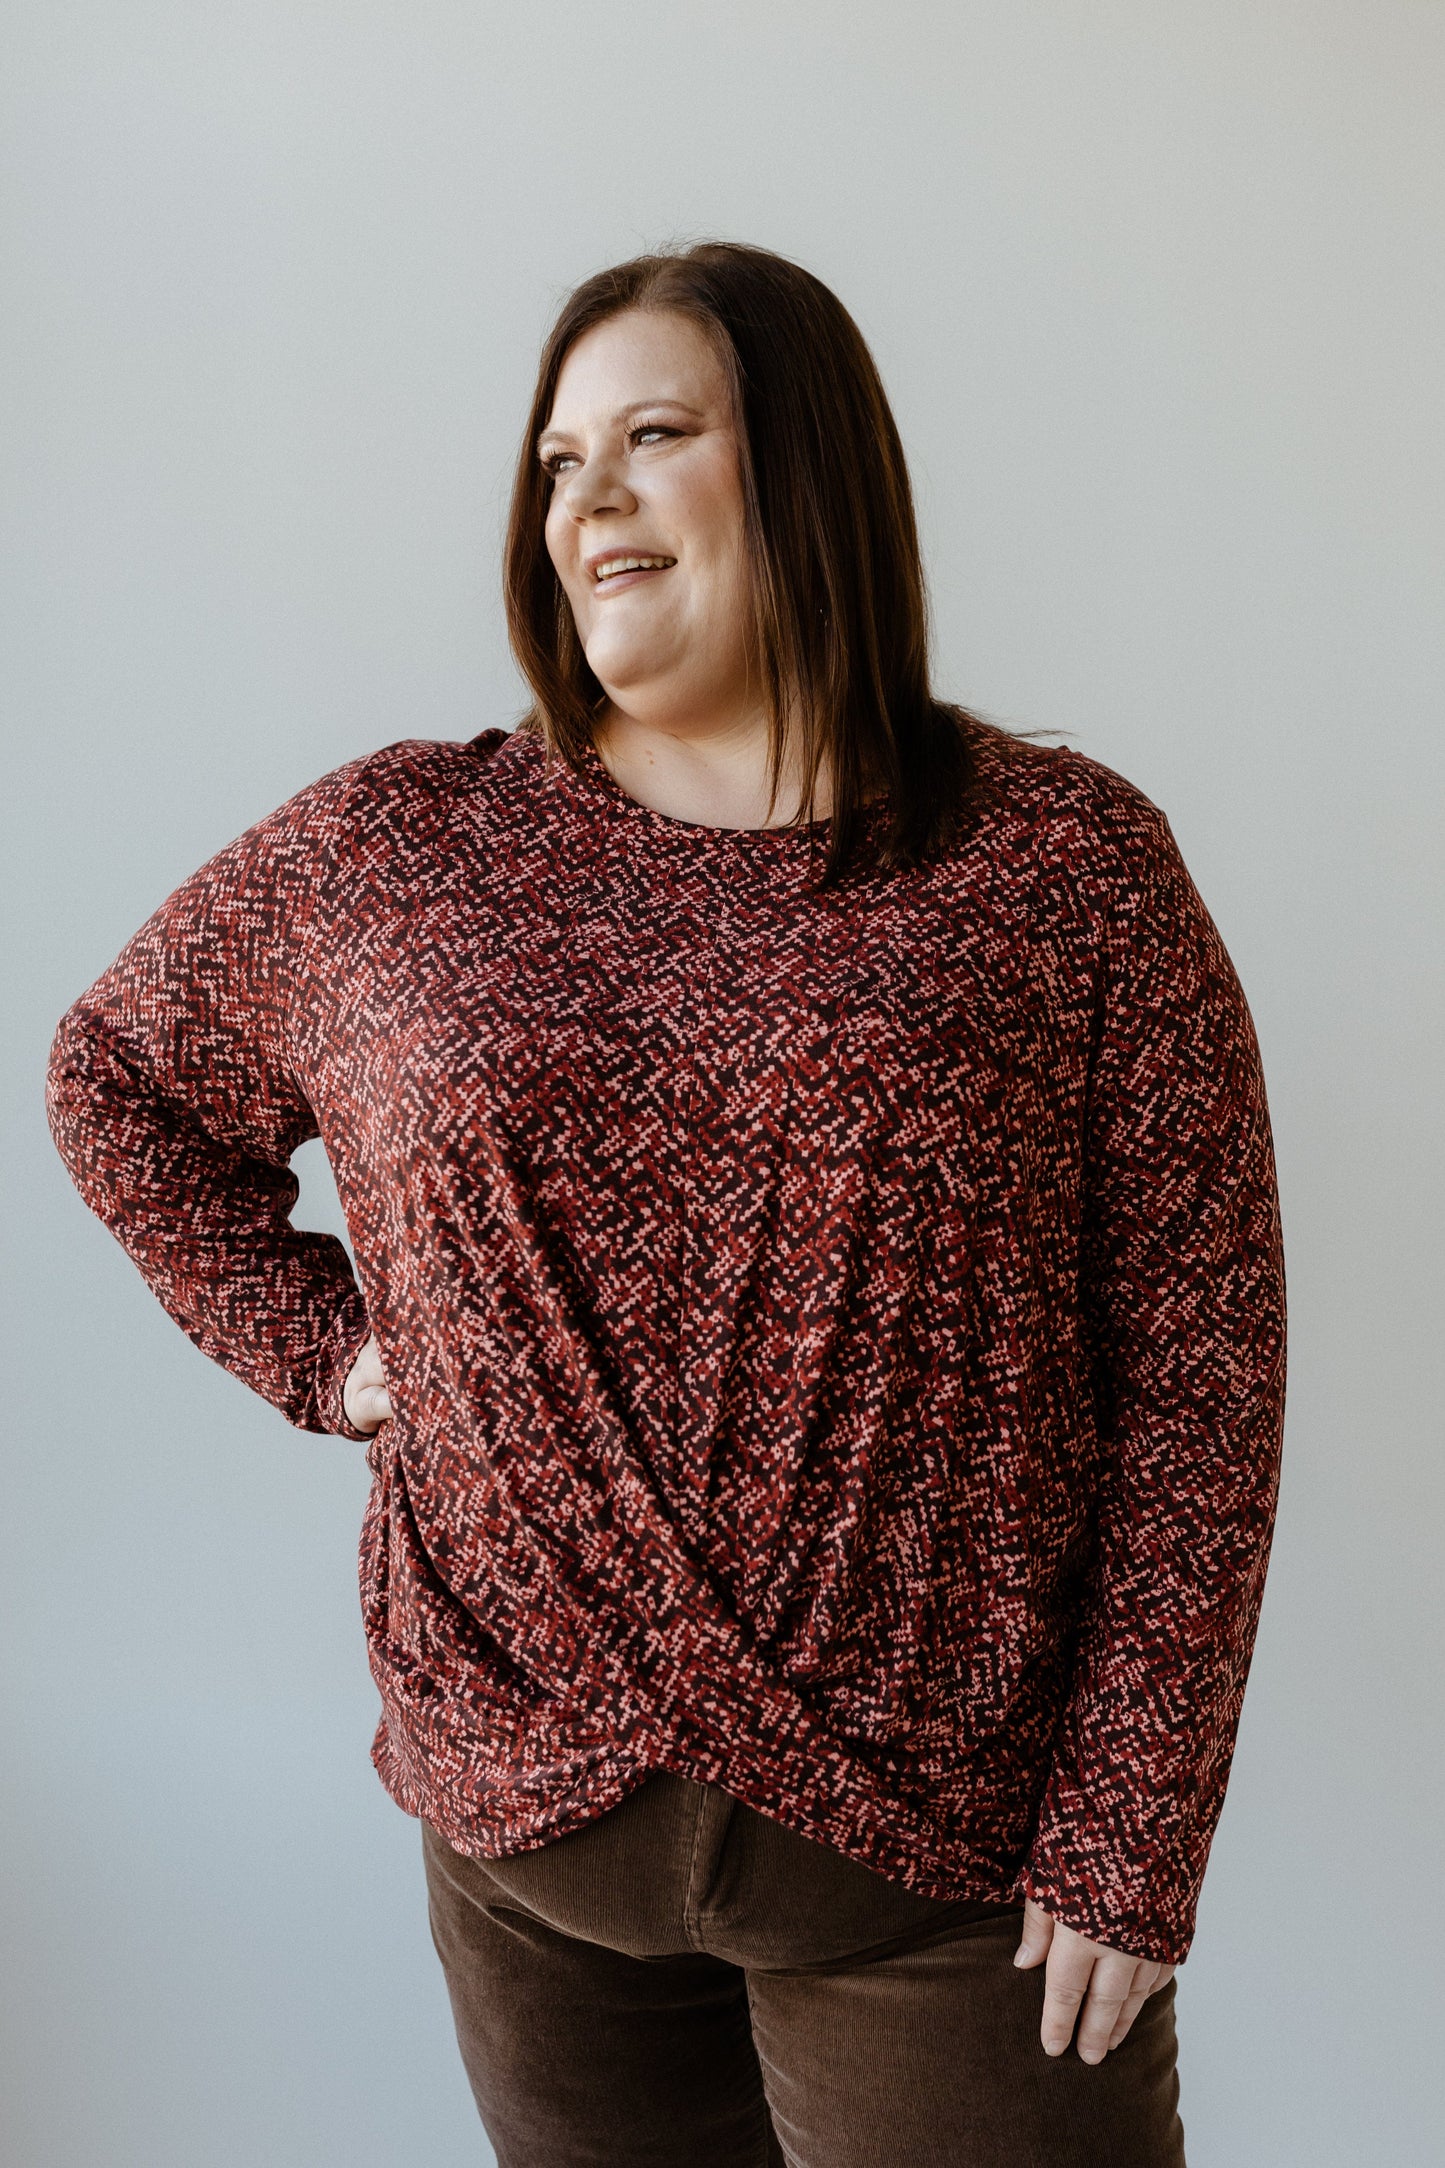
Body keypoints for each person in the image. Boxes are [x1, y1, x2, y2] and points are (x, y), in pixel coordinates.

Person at [45, 241, 1286, 2167]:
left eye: (653, 434)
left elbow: (1200, 1369)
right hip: (523, 1843)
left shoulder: (1065, 871)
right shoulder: (399, 849)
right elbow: (116, 1080)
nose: (588, 496)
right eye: (555, 459)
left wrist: (1136, 1820)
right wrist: (329, 1359)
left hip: (950, 1887)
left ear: (804, 470)